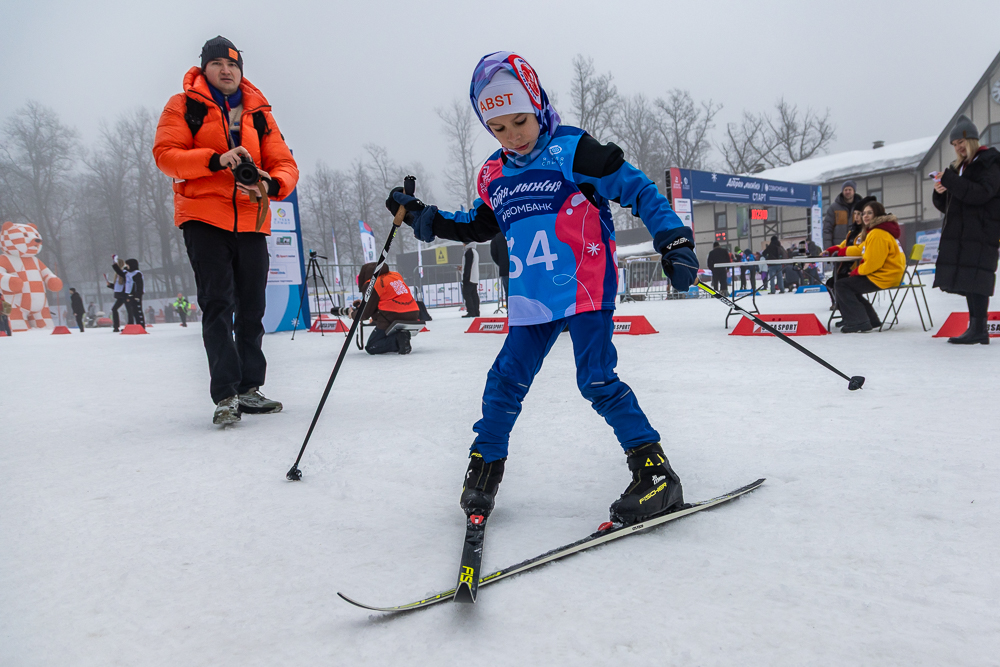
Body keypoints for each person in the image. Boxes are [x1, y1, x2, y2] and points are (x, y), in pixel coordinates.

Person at [384, 51, 698, 525]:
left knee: (596, 380)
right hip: (531, 296)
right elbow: (476, 225)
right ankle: (484, 468)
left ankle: (655, 473)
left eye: (520, 121)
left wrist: (673, 240)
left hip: (585, 285)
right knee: (504, 381)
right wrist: (422, 216)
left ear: (538, 105)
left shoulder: (573, 150)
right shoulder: (494, 174)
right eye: (498, 128)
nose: (513, 135)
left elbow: (639, 190)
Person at [153, 36, 299, 425]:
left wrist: (271, 183)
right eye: (217, 63)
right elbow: (166, 156)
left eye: (233, 64)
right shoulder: (183, 105)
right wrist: (216, 160)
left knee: (252, 307)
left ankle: (250, 388)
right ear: (204, 69)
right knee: (218, 304)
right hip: (204, 218)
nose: (226, 70)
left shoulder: (259, 113)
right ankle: (226, 395)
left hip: (252, 218)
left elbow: (285, 164)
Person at [931, 115, 1000, 345]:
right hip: (965, 234)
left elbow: (981, 194)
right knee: (971, 279)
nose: (958, 147)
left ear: (972, 140)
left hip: (982, 232)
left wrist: (951, 180)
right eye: (954, 144)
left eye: (961, 142)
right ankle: (976, 328)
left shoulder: (990, 162)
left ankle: (979, 329)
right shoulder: (961, 168)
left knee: (978, 279)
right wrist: (940, 192)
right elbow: (952, 205)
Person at [835, 201, 906, 333]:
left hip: (884, 276)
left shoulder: (877, 233)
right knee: (847, 285)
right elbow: (862, 249)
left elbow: (873, 263)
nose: (865, 216)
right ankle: (871, 320)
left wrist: (857, 271)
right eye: (864, 214)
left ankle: (859, 322)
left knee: (841, 285)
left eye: (870, 213)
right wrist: (842, 251)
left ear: (877, 214)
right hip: (891, 274)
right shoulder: (879, 231)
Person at [349, 261, 421, 355]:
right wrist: (363, 303)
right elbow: (388, 296)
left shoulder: (372, 284)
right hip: (413, 312)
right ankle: (401, 338)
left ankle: (398, 340)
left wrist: (352, 314)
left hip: (392, 315)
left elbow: (365, 314)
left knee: (372, 346)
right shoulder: (395, 275)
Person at [825, 196, 873, 309]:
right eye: (854, 214)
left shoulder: (867, 232)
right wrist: (830, 250)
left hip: (859, 268)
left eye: (859, 214)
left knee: (840, 284)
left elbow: (860, 250)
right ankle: (841, 306)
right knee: (832, 282)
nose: (856, 217)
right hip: (848, 267)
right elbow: (843, 245)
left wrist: (843, 251)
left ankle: (849, 309)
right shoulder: (853, 231)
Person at [823, 180, 863, 247]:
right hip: (838, 247)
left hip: (856, 246)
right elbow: (827, 229)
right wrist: (828, 248)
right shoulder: (833, 208)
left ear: (854, 191)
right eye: (845, 190)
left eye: (850, 189)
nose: (847, 192)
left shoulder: (861, 206)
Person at [107, 256, 131, 331]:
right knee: (114, 309)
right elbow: (117, 286)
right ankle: (116, 326)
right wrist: (110, 285)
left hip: (124, 295)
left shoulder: (124, 273)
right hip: (120, 295)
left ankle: (130, 325)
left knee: (129, 310)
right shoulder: (117, 275)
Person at [122, 259, 145, 328]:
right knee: (134, 311)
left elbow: (139, 285)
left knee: (138, 310)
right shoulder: (129, 273)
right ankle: (137, 324)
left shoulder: (137, 274)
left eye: (127, 265)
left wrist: (137, 295)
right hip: (130, 294)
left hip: (136, 295)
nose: (127, 266)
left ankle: (141, 325)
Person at [490, 230, 509, 305]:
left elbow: (494, 254)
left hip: (504, 269)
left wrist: (501, 263)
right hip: (518, 268)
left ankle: (510, 309)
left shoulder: (496, 237)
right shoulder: (514, 232)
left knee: (508, 291)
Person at [462, 242, 481, 317]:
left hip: (469, 277)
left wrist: (465, 277)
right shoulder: (474, 251)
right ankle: (476, 311)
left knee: (467, 294)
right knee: (474, 294)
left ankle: (471, 311)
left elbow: (468, 266)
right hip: (474, 277)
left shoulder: (469, 252)